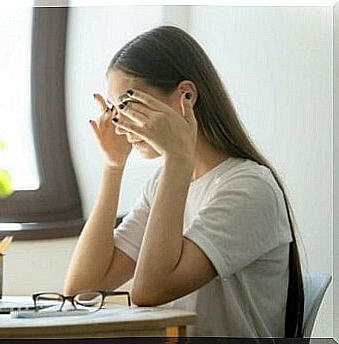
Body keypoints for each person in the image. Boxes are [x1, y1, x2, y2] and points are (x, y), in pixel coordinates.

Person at [63, 25, 304, 338]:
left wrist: (178, 157)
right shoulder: (166, 182)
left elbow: (150, 291)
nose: (119, 122)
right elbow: (83, 288)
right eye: (114, 109)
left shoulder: (249, 187)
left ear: (186, 96)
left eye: (127, 105)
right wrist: (113, 166)